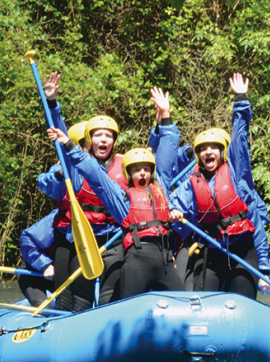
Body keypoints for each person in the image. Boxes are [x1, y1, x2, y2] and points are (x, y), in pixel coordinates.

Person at [47, 87, 185, 299]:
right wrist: (68, 143)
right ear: (128, 173)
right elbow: (93, 172)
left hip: (165, 260)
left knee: (182, 304)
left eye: (147, 169)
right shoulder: (122, 199)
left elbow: (168, 149)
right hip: (135, 262)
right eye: (137, 169)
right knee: (112, 298)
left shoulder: (161, 185)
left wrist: (165, 116)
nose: (142, 173)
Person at [168, 72, 270, 299]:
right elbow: (168, 206)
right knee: (204, 298)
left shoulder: (238, 174)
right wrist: (172, 213)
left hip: (244, 250)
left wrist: (241, 100)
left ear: (223, 152)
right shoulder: (191, 184)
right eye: (203, 149)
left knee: (241, 295)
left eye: (214, 147)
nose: (208, 152)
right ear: (198, 156)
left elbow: (240, 137)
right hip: (212, 252)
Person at [40, 72, 128, 312]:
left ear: (114, 142)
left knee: (92, 292)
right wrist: (51, 103)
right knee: (67, 293)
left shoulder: (126, 166)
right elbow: (61, 138)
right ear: (89, 140)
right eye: (98, 135)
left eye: (108, 136)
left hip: (108, 235)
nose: (103, 140)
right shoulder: (77, 164)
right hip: (73, 235)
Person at [17, 209, 57, 308]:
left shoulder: (96, 224)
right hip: (32, 275)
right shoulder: (56, 219)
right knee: (45, 310)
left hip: (59, 276)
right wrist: (45, 264)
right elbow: (26, 238)